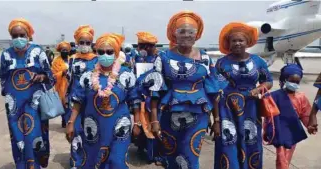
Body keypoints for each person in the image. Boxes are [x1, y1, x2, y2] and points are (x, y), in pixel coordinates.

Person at [149, 11, 221, 169]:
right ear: (174, 35)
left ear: (197, 35)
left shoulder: (205, 58)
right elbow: (155, 91)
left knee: (190, 156)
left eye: (191, 32)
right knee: (171, 156)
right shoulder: (163, 57)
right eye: (182, 31)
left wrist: (216, 120)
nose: (186, 35)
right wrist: (154, 120)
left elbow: (213, 91)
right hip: (169, 113)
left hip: (198, 115)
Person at [65, 33, 141, 169]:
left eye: (109, 51)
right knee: (94, 161)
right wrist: (71, 122)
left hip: (119, 127)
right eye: (101, 51)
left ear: (116, 53)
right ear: (97, 52)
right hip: (93, 128)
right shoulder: (87, 76)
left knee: (117, 162)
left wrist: (137, 123)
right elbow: (78, 101)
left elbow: (135, 100)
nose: (105, 54)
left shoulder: (126, 74)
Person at [213, 22, 273, 169]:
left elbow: (268, 81)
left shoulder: (258, 61)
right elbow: (215, 89)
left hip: (251, 108)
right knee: (229, 141)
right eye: (234, 41)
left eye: (241, 40)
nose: (237, 43)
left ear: (247, 43)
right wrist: (216, 120)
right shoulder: (221, 63)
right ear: (229, 43)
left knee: (251, 140)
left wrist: (258, 89)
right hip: (227, 109)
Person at [0, 18, 54, 169]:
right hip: (14, 105)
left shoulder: (38, 52)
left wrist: (41, 77)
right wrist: (8, 95)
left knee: (34, 135)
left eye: (22, 35)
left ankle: (36, 165)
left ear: (28, 35)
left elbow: (50, 76)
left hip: (34, 102)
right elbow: (3, 77)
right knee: (17, 137)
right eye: (15, 36)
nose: (18, 39)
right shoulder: (6, 55)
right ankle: (22, 165)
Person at [263, 64, 313, 169]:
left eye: (297, 82)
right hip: (280, 131)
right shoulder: (274, 96)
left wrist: (310, 126)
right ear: (285, 80)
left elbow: (306, 114)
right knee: (281, 157)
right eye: (292, 81)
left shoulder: (301, 97)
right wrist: (266, 130)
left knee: (287, 156)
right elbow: (268, 116)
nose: (294, 84)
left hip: (292, 131)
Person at [65, 25, 99, 169]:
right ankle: (76, 162)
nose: (84, 46)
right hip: (75, 101)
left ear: (91, 44)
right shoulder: (72, 60)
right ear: (77, 43)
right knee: (76, 131)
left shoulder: (97, 60)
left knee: (92, 130)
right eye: (82, 42)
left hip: (92, 101)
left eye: (87, 43)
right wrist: (66, 96)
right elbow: (70, 80)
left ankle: (92, 160)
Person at [132, 31, 163, 165]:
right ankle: (140, 147)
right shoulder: (136, 60)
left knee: (154, 124)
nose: (145, 49)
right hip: (140, 96)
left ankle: (154, 154)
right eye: (141, 46)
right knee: (140, 123)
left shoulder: (160, 59)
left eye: (148, 46)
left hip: (155, 97)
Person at [51, 41, 71, 128]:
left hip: (71, 84)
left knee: (71, 104)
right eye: (63, 50)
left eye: (66, 50)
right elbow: (53, 74)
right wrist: (62, 72)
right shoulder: (56, 61)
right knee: (63, 104)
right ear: (60, 51)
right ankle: (64, 119)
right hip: (61, 85)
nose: (65, 51)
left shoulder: (72, 59)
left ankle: (69, 120)